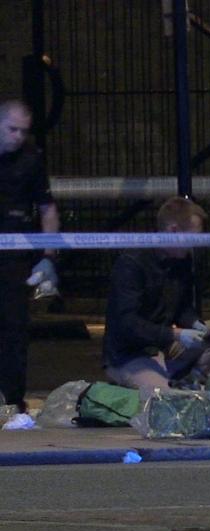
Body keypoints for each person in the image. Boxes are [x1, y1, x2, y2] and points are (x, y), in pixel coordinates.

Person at [103, 196, 209, 391]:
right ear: (173, 231)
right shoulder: (133, 263)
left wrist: (195, 323)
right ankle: (164, 380)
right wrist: (175, 333)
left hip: (163, 346)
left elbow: (181, 307)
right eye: (193, 238)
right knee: (164, 399)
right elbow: (127, 324)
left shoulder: (181, 260)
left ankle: (177, 377)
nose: (195, 246)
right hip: (129, 354)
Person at [0, 99, 60, 411]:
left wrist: (48, 255)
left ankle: (11, 401)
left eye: (23, 131)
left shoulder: (31, 159)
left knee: (14, 327)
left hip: (14, 255)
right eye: (12, 130)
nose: (18, 137)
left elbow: (47, 208)